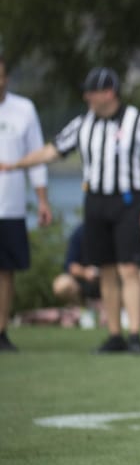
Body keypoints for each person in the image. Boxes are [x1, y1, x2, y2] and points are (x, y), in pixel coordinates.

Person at [2, 67, 140, 353]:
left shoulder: (137, 120)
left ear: (109, 92)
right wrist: (16, 164)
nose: (87, 96)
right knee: (106, 269)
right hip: (95, 201)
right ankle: (115, 334)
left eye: (92, 91)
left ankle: (135, 335)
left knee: (129, 267)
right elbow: (53, 150)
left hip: (128, 200)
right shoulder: (83, 124)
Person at [0, 54, 51, 351]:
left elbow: (38, 157)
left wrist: (42, 201)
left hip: (10, 206)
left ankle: (2, 329)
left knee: (6, 272)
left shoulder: (24, 110)